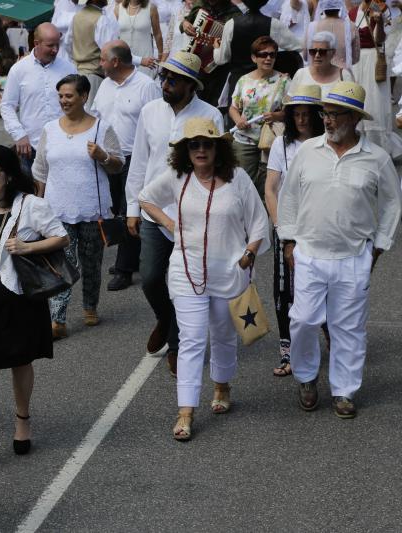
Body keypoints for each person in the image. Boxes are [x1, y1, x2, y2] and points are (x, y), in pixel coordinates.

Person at [139, 118, 269, 441]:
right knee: (192, 338)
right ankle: (186, 412)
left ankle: (222, 385)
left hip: (229, 273)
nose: (200, 150)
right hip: (187, 272)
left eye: (206, 144)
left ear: (217, 148)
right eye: (193, 144)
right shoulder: (177, 177)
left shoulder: (237, 179)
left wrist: (250, 253)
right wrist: (170, 224)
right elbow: (145, 198)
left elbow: (259, 222)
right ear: (185, 150)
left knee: (224, 335)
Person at [278, 81, 402, 419]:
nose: (327, 120)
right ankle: (306, 377)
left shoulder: (375, 158)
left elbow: (392, 202)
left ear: (354, 118)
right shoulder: (307, 151)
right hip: (309, 254)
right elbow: (288, 197)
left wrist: (379, 246)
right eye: (325, 114)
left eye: (334, 114)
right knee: (302, 320)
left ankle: (344, 391)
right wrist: (289, 241)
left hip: (353, 257)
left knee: (348, 328)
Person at [0, 145, 69, 468]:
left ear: (9, 174)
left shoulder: (31, 205)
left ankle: (23, 419)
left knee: (21, 361)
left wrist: (28, 246)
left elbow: (61, 237)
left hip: (21, 297)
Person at [126, 51, 223, 374]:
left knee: (187, 284)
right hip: (155, 212)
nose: (165, 83)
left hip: (193, 216)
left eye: (173, 80)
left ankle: (179, 345)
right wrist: (132, 208)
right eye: (164, 77)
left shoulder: (211, 115)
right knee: (152, 278)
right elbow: (139, 161)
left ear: (191, 85)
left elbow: (219, 168)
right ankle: (167, 320)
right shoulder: (150, 111)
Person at [32, 74, 125, 339]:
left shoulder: (101, 128)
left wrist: (103, 156)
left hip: (91, 208)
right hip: (57, 210)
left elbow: (118, 165)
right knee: (62, 263)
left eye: (69, 96)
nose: (64, 101)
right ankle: (57, 319)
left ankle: (90, 305)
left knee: (91, 261)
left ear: (84, 97)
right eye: (60, 96)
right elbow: (40, 170)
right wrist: (36, 203)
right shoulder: (50, 129)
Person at [92, 40, 162, 290]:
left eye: (102, 59)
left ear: (115, 62)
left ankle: (124, 269)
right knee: (113, 210)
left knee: (128, 210)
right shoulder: (105, 86)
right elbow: (96, 116)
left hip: (134, 158)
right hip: (107, 158)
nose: (99, 63)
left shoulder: (146, 87)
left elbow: (157, 122)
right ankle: (130, 259)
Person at [265, 85, 324, 377]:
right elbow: (271, 189)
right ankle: (288, 351)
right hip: (288, 227)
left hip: (320, 228)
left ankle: (330, 338)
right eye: (296, 114)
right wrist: (281, 229)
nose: (301, 120)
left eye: (306, 114)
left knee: (322, 287)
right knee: (284, 290)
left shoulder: (326, 143)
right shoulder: (281, 145)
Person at [0, 22, 77, 170]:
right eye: (50, 45)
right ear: (36, 43)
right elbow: (7, 105)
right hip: (29, 147)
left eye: (57, 45)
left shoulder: (68, 68)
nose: (55, 50)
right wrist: (19, 134)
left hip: (63, 144)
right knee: (31, 192)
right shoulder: (19, 70)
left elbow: (79, 104)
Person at [229, 36, 289, 196]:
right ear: (254, 57)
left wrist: (276, 116)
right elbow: (233, 108)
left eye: (272, 54)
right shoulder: (243, 80)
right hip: (244, 141)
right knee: (241, 187)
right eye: (263, 54)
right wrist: (238, 120)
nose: (268, 58)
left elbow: (291, 112)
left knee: (267, 188)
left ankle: (266, 220)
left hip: (270, 142)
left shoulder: (283, 80)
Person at [213, 0, 301, 104]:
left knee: (237, 116)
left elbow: (220, 59)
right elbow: (297, 46)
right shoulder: (274, 24)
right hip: (265, 84)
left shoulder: (231, 24)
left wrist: (216, 48)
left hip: (238, 82)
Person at [349, 0, 402, 156]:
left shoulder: (380, 10)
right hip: (357, 61)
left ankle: (379, 150)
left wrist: (378, 23)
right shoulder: (352, 13)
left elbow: (380, 40)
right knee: (359, 101)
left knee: (375, 102)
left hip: (373, 59)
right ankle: (358, 144)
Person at [182, 0, 242, 107]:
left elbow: (238, 44)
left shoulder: (234, 13)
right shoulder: (200, 5)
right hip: (196, 63)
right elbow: (186, 22)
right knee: (193, 101)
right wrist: (185, 24)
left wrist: (222, 44)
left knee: (214, 104)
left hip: (220, 68)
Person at [67, 0, 121, 106]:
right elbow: (110, 51)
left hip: (76, 72)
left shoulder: (76, 16)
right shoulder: (101, 19)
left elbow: (67, 44)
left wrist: (77, 57)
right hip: (94, 75)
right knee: (92, 115)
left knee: (79, 113)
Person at [289, 30, 355, 95]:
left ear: (333, 52)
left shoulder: (345, 75)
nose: (317, 55)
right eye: (313, 51)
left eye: (322, 52)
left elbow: (352, 103)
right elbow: (289, 100)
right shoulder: (301, 74)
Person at [303, 0, 360, 71]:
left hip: (319, 75)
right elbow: (355, 58)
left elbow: (306, 56)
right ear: (340, 5)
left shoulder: (311, 27)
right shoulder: (351, 26)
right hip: (341, 75)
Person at [114, 0, 163, 77]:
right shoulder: (118, 9)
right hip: (124, 59)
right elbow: (114, 37)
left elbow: (157, 34)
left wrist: (160, 56)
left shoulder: (151, 8)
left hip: (146, 60)